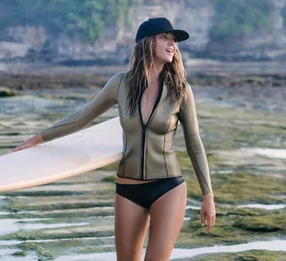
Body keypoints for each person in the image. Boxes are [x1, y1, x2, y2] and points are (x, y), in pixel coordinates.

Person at [15, 17, 215, 260]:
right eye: (165, 37)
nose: (172, 43)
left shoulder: (180, 90)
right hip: (128, 188)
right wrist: (37, 139)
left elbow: (194, 143)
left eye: (174, 40)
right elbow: (82, 117)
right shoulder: (120, 83)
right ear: (146, 42)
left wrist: (208, 195)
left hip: (168, 187)